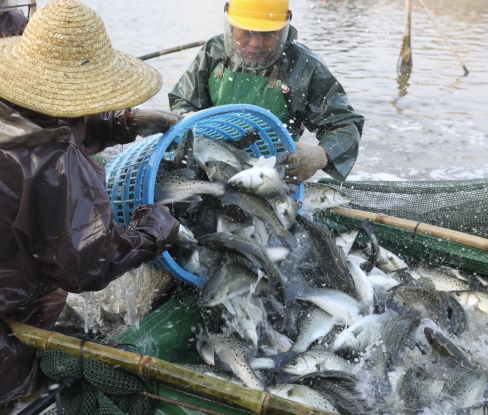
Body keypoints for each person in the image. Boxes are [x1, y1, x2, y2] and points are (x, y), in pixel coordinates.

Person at [0, 0, 182, 406]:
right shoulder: (60, 166)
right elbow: (86, 265)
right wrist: (152, 232)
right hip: (9, 334)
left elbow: (39, 114)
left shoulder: (13, 101)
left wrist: (121, 123)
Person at [169, 0, 365, 184]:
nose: (255, 43)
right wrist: (187, 118)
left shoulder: (305, 67)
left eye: (267, 34)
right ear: (231, 25)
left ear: (283, 28)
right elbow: (183, 100)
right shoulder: (213, 51)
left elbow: (344, 124)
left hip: (274, 173)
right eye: (247, 32)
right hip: (210, 163)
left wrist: (321, 155)